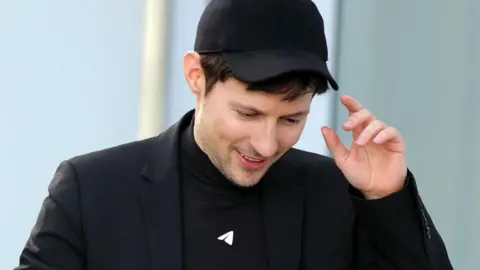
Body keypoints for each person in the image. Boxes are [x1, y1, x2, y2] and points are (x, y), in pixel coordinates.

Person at [16, 0, 453, 269]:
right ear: (195, 76)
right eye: (247, 113)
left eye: (290, 120)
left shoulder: (337, 195)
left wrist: (387, 199)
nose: (266, 145)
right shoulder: (91, 190)